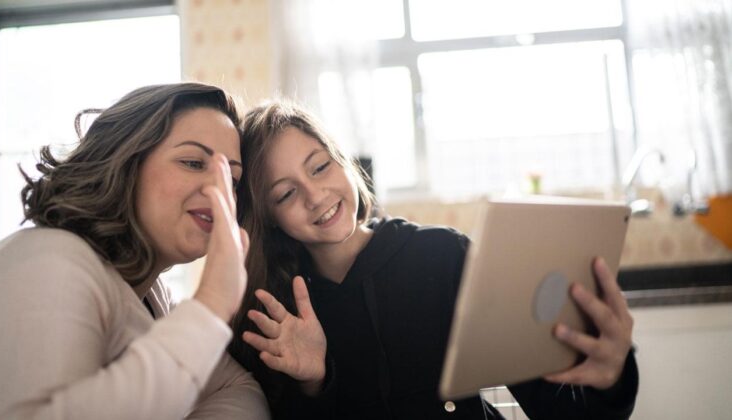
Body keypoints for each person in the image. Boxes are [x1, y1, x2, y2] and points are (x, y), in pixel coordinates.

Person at [228, 99, 639, 420]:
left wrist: (611, 378)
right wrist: (314, 383)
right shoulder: (275, 314)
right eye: (285, 194)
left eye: (319, 167)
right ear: (270, 219)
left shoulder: (443, 256)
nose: (315, 195)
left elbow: (559, 410)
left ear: (344, 163)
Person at [0, 83, 270, 419]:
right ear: (126, 163)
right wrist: (212, 302)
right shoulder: (48, 260)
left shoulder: (154, 296)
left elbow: (239, 387)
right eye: (194, 162)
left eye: (232, 179)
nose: (219, 190)